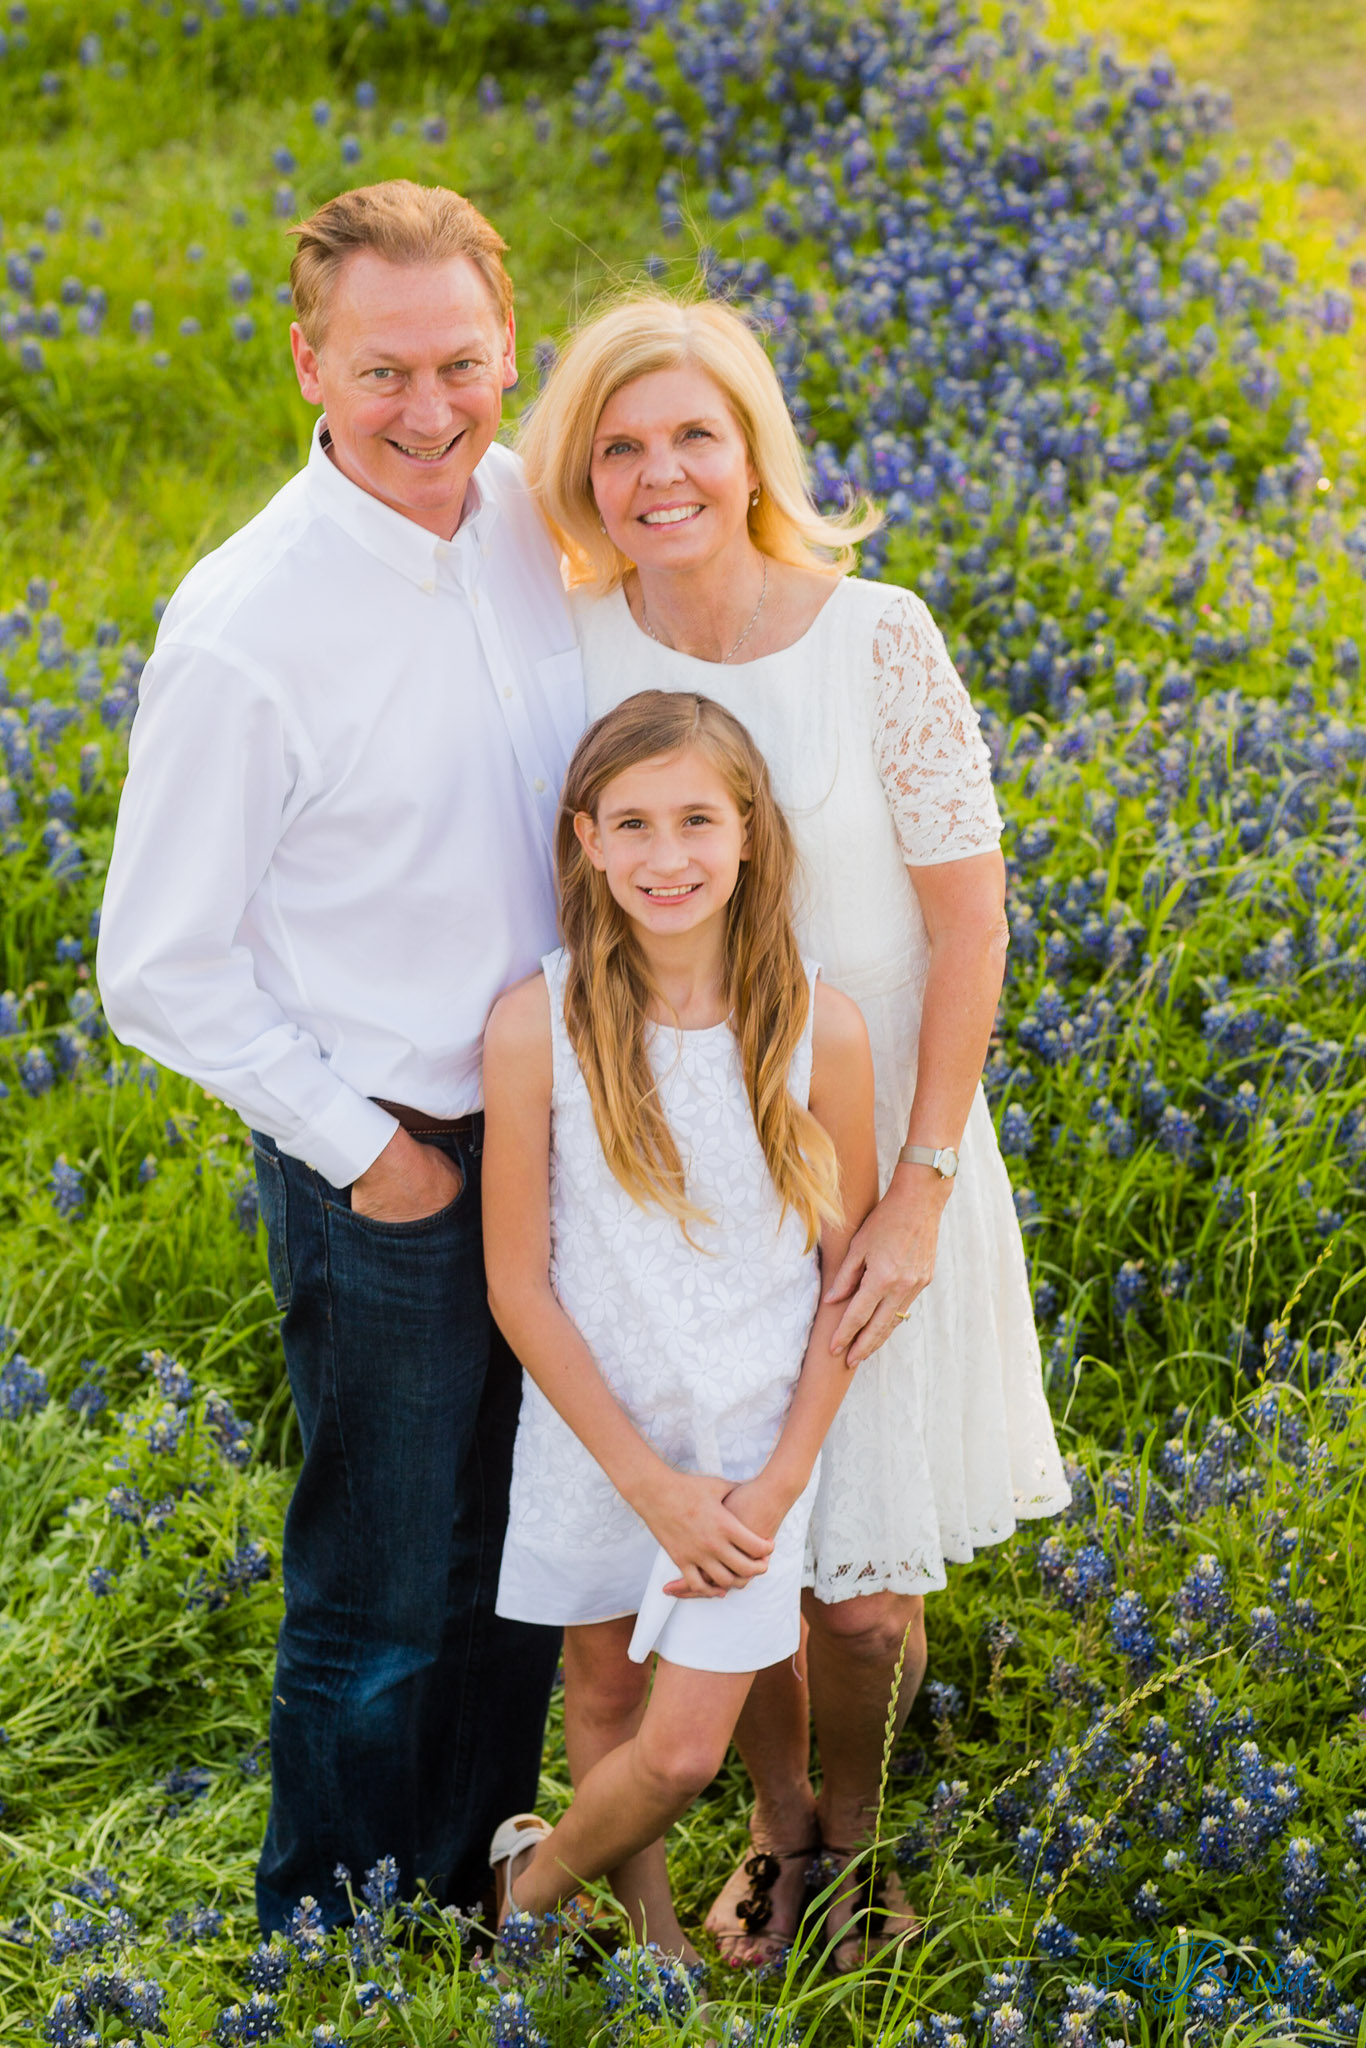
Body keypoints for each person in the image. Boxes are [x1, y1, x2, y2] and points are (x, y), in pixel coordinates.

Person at [519, 292, 1072, 1968]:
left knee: (864, 1584)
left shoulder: (875, 630)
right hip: (685, 1174)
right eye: (619, 445)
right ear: (583, 476)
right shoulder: (583, 636)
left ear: (756, 446)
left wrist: (914, 1185)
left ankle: (857, 1829)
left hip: (880, 1140)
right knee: (744, 1528)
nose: (659, 471)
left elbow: (968, 929)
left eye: (693, 431)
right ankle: (775, 1825)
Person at [96, 180, 581, 1934]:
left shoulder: (538, 516)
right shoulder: (247, 624)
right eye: (385, 371)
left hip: (570, 1128)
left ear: (508, 350)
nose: (431, 408)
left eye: (462, 362)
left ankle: (467, 1872)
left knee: (524, 1540)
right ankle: (331, 1923)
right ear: (307, 358)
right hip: (393, 1141)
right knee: (382, 1575)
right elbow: (156, 964)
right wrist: (359, 1146)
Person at [480, 691, 879, 1963]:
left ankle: (522, 1895)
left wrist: (778, 1480)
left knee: (685, 1746)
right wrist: (645, 1482)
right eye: (634, 823)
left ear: (750, 833)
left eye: (698, 819)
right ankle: (652, 1956)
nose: (668, 856)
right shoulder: (532, 1024)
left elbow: (844, 1293)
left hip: (751, 1459)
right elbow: (518, 1286)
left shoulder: (825, 1026)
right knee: (600, 1689)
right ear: (585, 838)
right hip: (599, 1435)